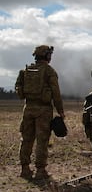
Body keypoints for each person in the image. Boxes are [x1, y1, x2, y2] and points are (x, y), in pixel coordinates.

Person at [15, 45, 65, 180]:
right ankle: (40, 170)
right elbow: (56, 93)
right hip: (44, 110)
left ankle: (25, 169)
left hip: (28, 108)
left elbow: (19, 90)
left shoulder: (25, 71)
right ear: (47, 56)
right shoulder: (49, 71)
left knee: (26, 139)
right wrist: (60, 111)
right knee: (42, 140)